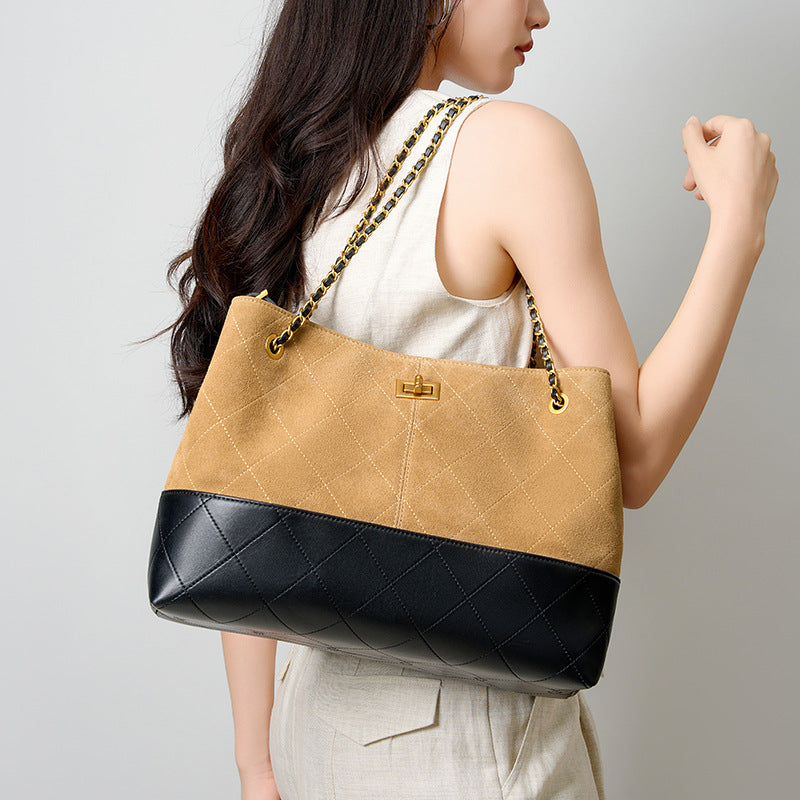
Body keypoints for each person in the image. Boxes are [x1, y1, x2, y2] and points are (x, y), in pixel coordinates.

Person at [152, 1, 778, 798]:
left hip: (309, 728)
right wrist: (739, 227)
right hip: (470, 751)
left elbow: (249, 499)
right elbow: (634, 459)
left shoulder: (293, 163)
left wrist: (257, 761)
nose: (542, 12)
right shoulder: (509, 147)